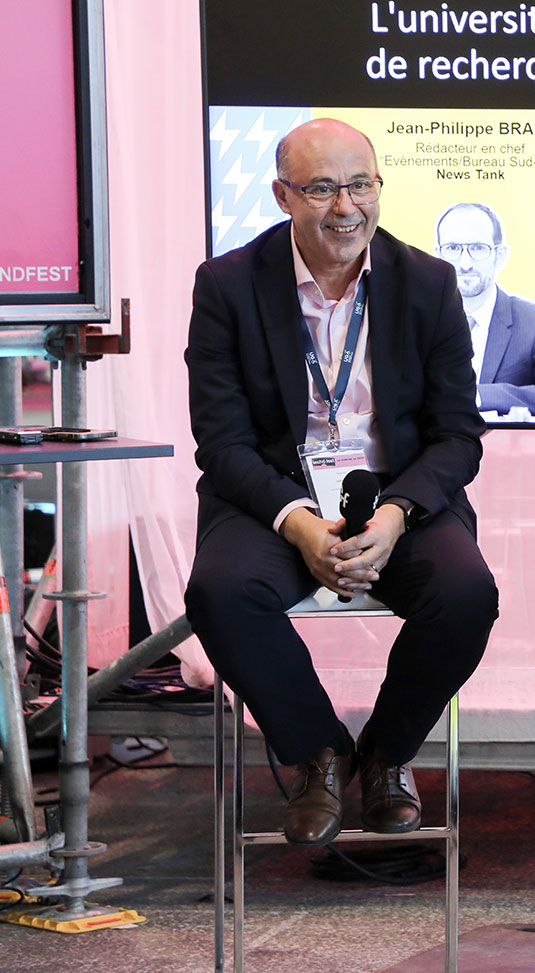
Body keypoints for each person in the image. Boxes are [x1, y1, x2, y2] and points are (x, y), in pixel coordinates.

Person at [184, 118, 498, 848]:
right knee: (220, 592)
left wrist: (394, 516)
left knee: (465, 593)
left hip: (397, 495)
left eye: (361, 184)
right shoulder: (226, 285)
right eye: (322, 188)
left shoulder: (428, 282)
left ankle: (385, 755)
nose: (345, 206)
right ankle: (320, 753)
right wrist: (296, 522)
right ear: (282, 195)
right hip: (273, 494)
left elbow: (458, 436)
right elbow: (222, 443)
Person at [435, 202, 535, 417]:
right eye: (453, 248)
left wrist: (476, 396)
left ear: (500, 255)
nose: (465, 263)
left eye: (478, 248)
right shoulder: (416, 320)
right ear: (437, 254)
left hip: (507, 448)